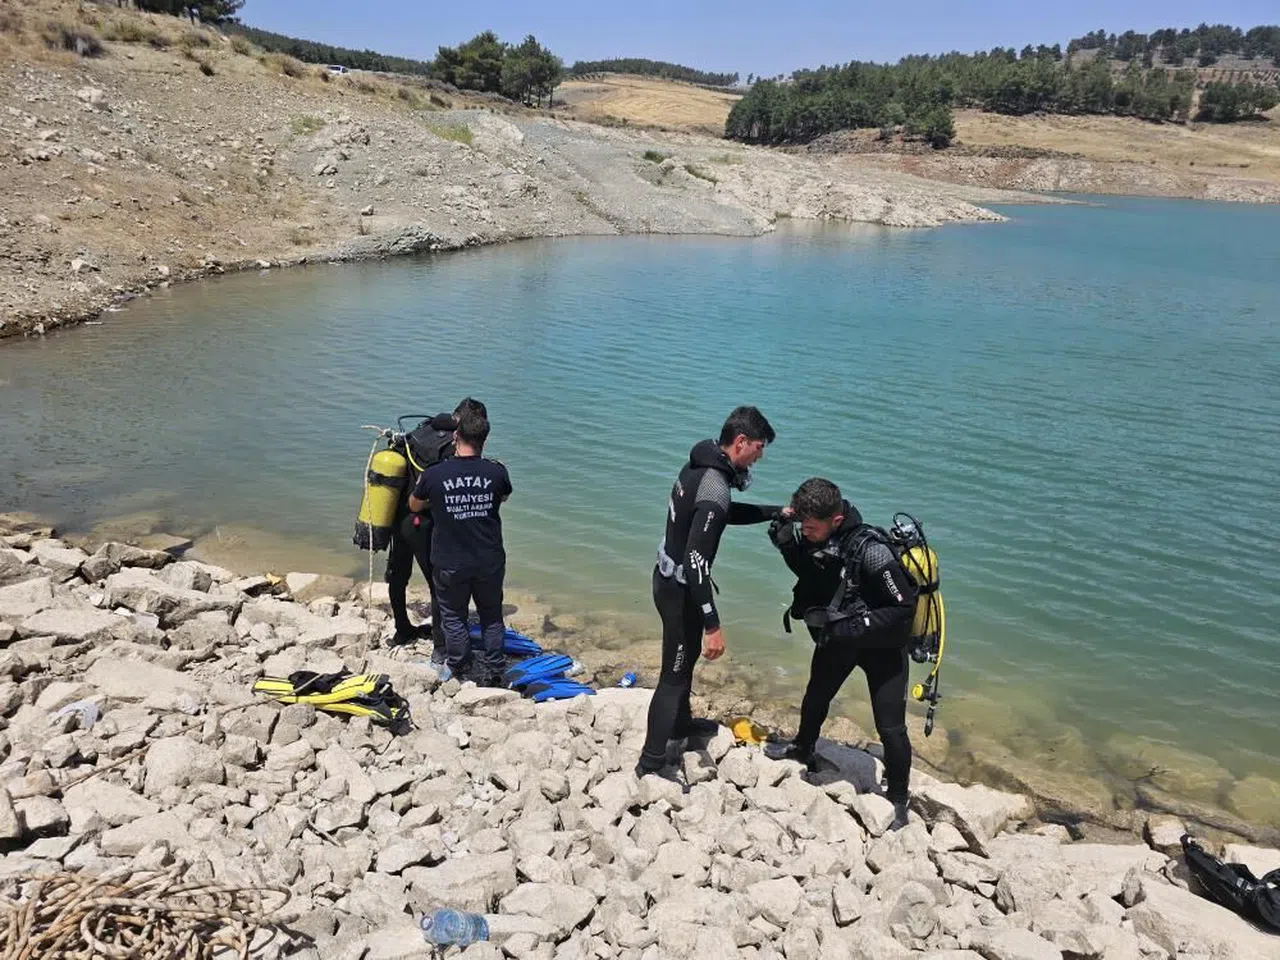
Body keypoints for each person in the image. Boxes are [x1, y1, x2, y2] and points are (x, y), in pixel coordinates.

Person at [636, 406, 784, 779]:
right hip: (681, 589)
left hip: (665, 577)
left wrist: (775, 511)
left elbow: (722, 513)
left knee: (683, 665)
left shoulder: (701, 464)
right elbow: (697, 560)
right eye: (759, 448)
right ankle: (650, 765)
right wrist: (712, 624)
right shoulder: (716, 484)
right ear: (740, 443)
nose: (760, 456)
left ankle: (682, 726)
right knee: (673, 675)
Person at [763, 477, 918, 830]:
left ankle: (897, 799)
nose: (807, 531)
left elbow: (903, 607)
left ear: (835, 520)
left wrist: (854, 626)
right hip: (841, 640)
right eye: (803, 525)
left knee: (890, 727)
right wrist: (789, 546)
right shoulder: (823, 538)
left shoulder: (872, 551)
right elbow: (814, 576)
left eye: (812, 527)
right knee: (816, 695)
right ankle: (802, 748)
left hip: (883, 648)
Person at [408, 404, 511, 684]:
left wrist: (440, 501)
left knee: (453, 616)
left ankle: (459, 665)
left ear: (455, 438)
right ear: (484, 440)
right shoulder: (497, 472)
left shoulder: (434, 475)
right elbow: (503, 498)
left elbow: (414, 505)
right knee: (491, 616)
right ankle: (494, 670)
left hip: (450, 560)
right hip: (489, 558)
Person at [384, 398, 486, 662]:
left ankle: (402, 630)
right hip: (423, 523)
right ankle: (441, 646)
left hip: (397, 514)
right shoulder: (451, 446)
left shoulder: (422, 429)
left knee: (398, 575)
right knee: (438, 584)